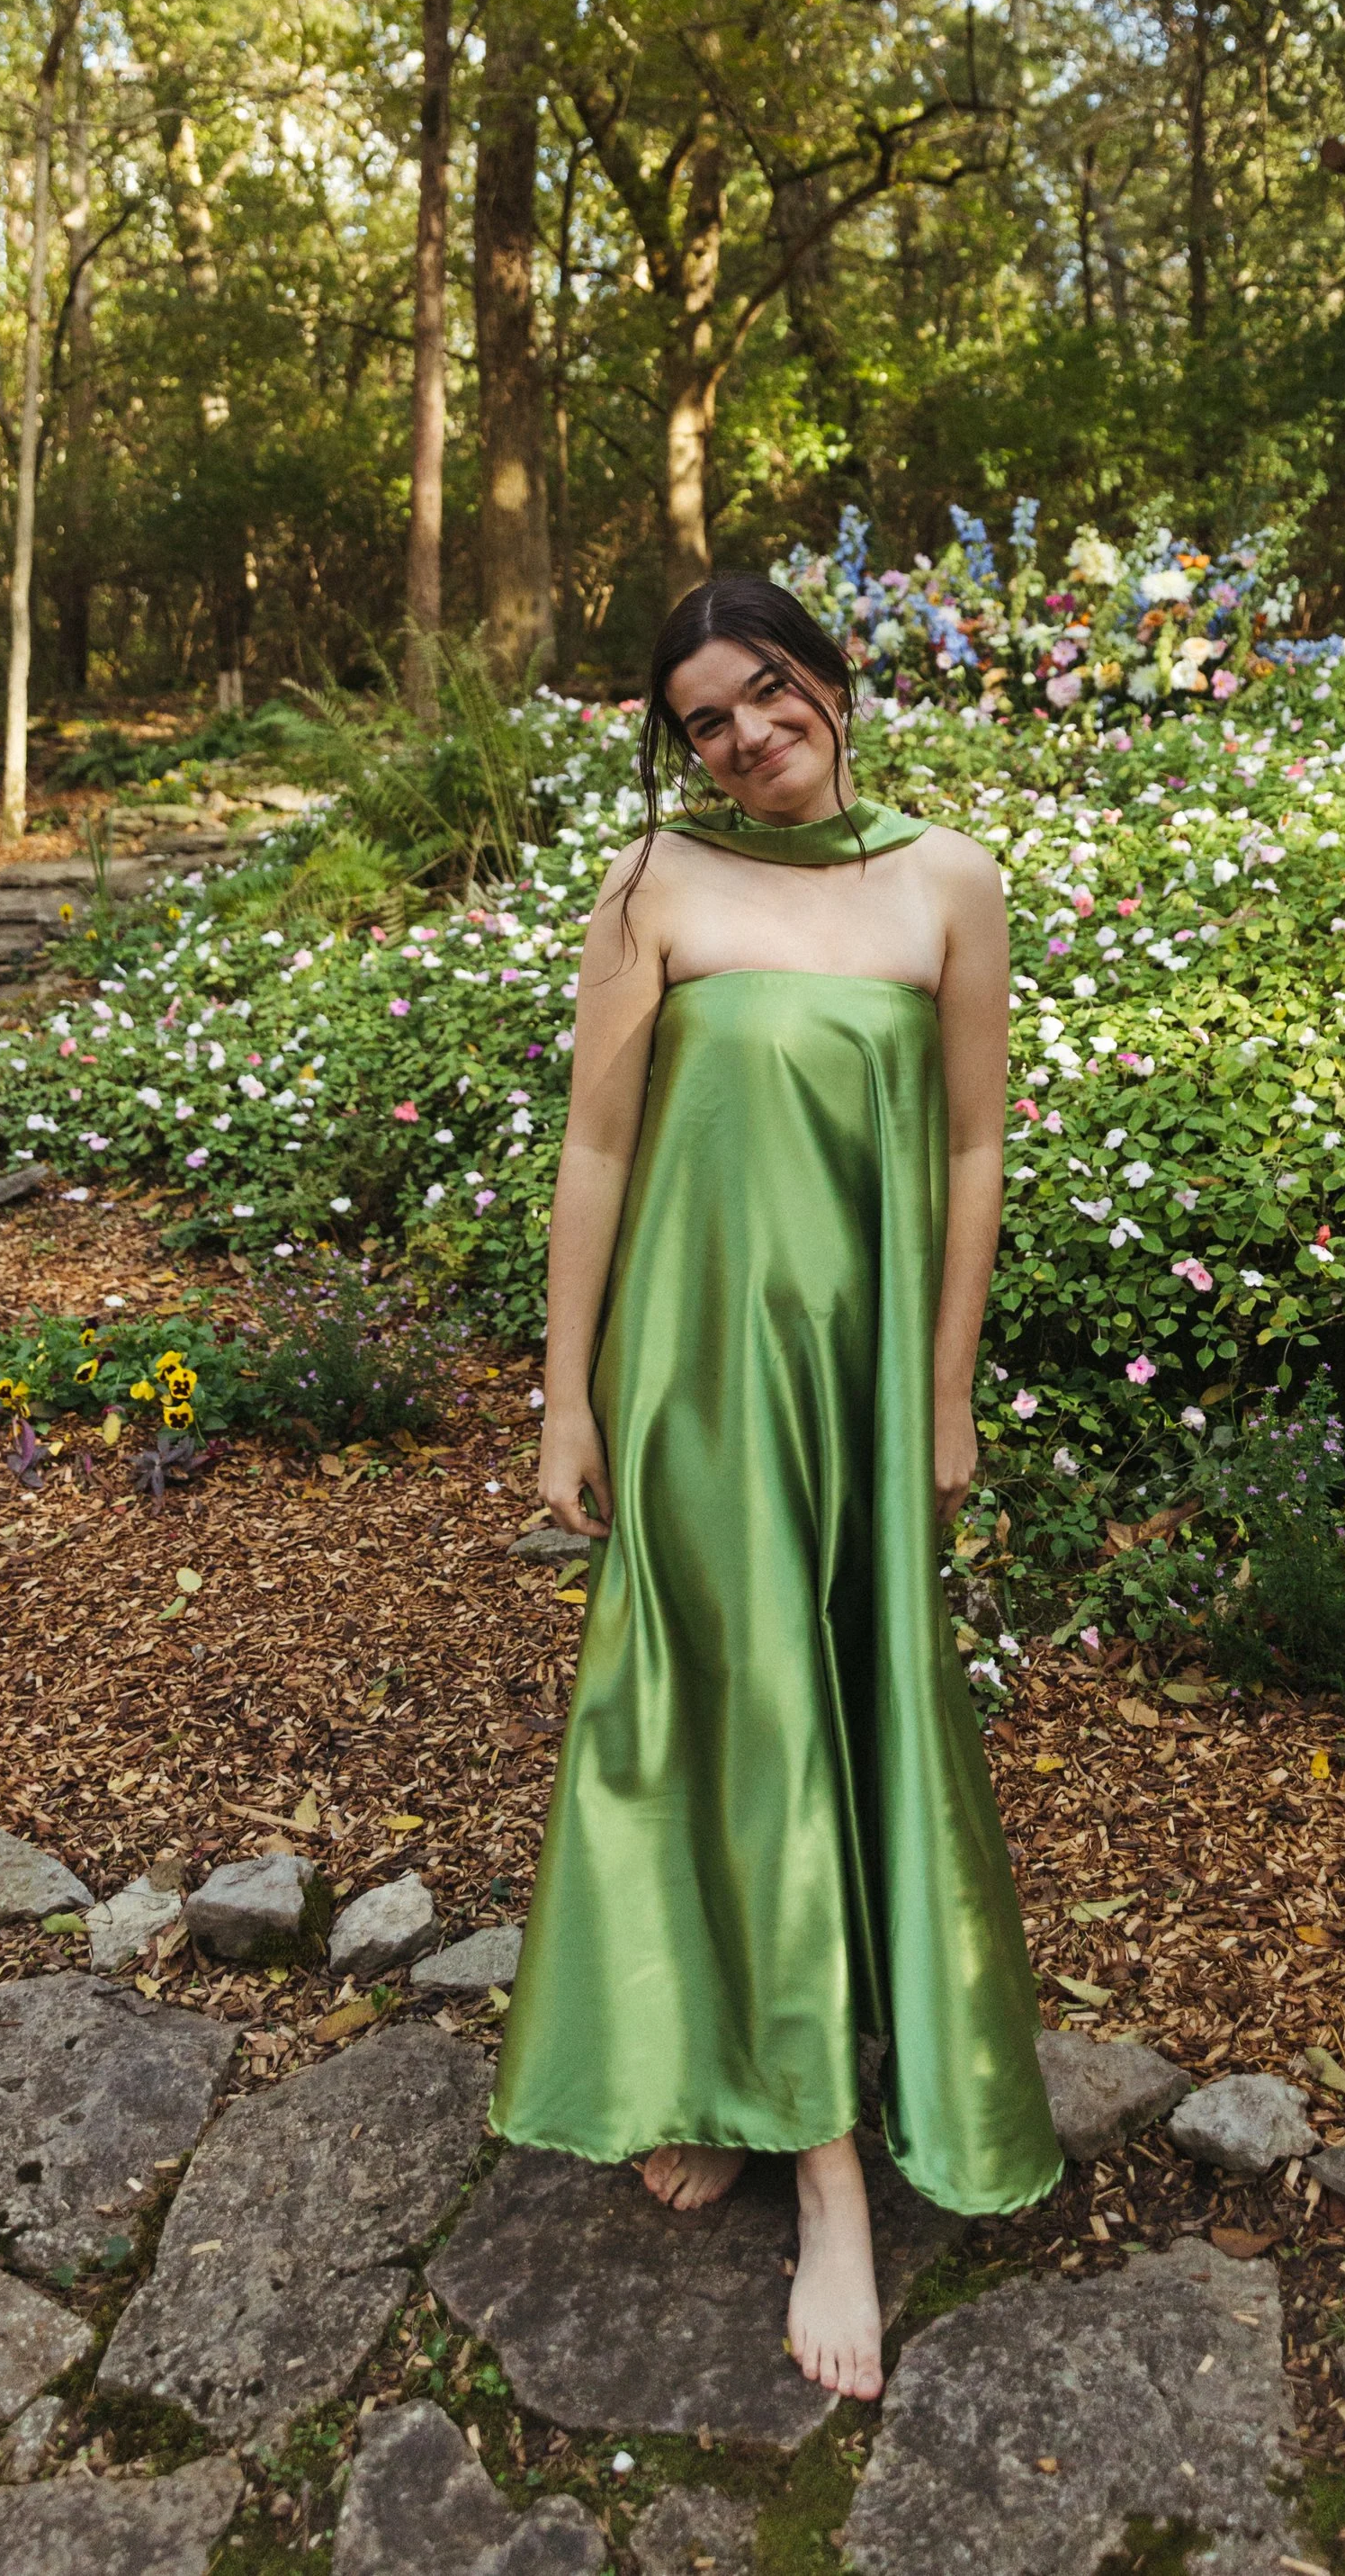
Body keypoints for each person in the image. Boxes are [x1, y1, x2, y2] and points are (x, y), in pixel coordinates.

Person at [491, 574, 1059, 2401]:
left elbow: (970, 1147)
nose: (741, 736)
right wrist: (563, 1396)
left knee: (842, 1725)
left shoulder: (946, 879)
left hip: (868, 1375)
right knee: (733, 1731)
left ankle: (752, 2078)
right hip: (696, 1383)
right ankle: (819, 2175)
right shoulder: (657, 882)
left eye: (762, 694)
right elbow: (593, 1144)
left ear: (829, 677)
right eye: (700, 722)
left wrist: (946, 1388)